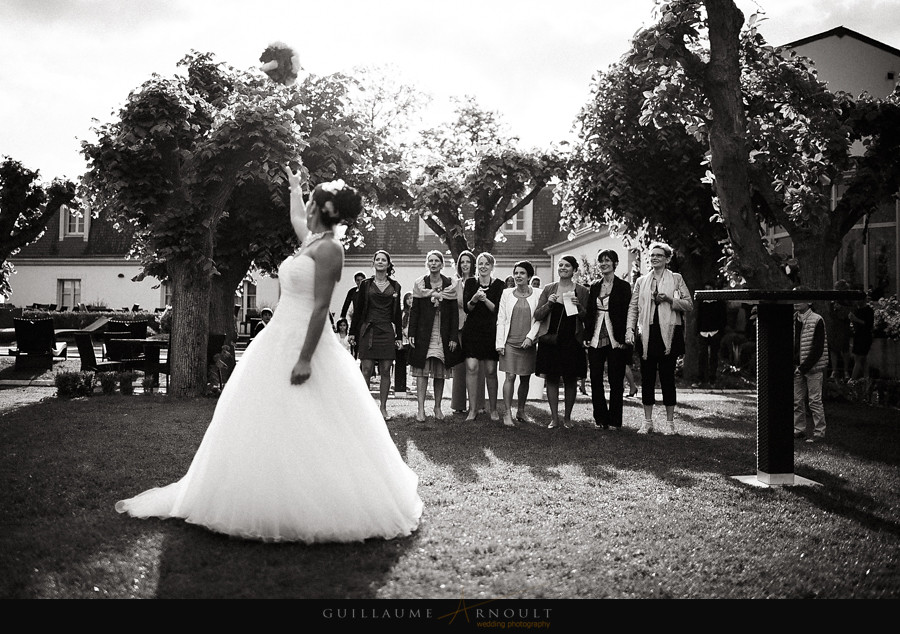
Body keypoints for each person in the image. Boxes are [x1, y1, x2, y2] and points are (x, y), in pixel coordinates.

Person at [115, 170, 422, 543]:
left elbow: (320, 307)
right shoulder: (311, 240)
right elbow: (295, 219)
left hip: (308, 342)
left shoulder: (330, 249)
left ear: (323, 208)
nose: (306, 206)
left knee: (316, 417)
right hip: (276, 339)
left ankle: (318, 498)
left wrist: (306, 358)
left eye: (311, 200)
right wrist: (295, 188)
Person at [626, 241, 693, 435]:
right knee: (647, 378)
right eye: (652, 255)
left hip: (669, 333)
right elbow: (633, 307)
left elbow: (688, 305)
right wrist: (630, 330)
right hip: (647, 333)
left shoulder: (676, 278)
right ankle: (647, 421)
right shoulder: (641, 281)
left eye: (659, 255)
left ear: (667, 259)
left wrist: (670, 299)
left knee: (667, 378)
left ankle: (670, 423)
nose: (654, 258)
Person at [534, 255, 589, 429]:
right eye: (560, 265)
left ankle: (567, 418)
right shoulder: (549, 288)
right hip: (551, 340)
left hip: (571, 340)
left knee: (570, 379)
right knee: (551, 379)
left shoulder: (582, 291)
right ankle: (554, 418)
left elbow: (587, 317)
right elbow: (537, 315)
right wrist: (549, 304)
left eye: (567, 265)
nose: (563, 268)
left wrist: (579, 306)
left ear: (574, 269)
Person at [409, 250, 463, 422]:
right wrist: (411, 332)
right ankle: (420, 409)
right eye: (430, 261)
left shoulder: (450, 284)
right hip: (424, 332)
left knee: (440, 371)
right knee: (422, 372)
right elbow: (414, 311)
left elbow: (455, 313)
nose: (433, 264)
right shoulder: (420, 284)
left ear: (441, 264)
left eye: (436, 261)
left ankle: (438, 407)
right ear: (427, 264)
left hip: (444, 331)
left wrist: (454, 336)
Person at [350, 250, 403, 420]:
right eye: (377, 259)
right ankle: (366, 409)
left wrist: (399, 336)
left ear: (388, 264)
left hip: (386, 330)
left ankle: (383, 408)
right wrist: (352, 333)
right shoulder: (365, 284)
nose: (380, 262)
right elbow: (358, 311)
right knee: (366, 369)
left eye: (383, 260)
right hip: (368, 330)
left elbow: (397, 314)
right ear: (373, 264)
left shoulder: (395, 286)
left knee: (386, 370)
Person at [583, 249, 632, 430]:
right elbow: (589, 312)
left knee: (615, 379)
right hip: (597, 336)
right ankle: (600, 418)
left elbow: (628, 313)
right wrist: (587, 336)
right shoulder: (595, 285)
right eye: (601, 261)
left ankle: (615, 420)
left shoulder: (623, 286)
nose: (604, 264)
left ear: (615, 264)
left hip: (616, 338)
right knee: (595, 377)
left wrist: (627, 335)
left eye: (607, 261)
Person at [495, 261, 541, 427]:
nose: (518, 276)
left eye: (522, 273)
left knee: (525, 378)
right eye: (516, 273)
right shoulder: (506, 293)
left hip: (527, 343)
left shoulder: (538, 293)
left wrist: (530, 338)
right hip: (509, 342)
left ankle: (521, 410)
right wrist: (500, 343)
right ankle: (507, 413)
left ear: (529, 276)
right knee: (510, 376)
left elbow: (539, 319)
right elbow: (501, 319)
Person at [462, 253, 506, 421]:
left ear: (492, 266)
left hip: (490, 332)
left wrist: (485, 299)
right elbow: (467, 308)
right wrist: (474, 298)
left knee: (490, 370)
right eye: (480, 263)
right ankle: (472, 410)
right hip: (472, 331)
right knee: (472, 367)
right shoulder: (471, 283)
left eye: (486, 263)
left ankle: (493, 409)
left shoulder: (499, 285)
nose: (483, 266)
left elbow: (498, 310)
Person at [450, 250, 484, 414]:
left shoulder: (478, 282)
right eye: (462, 262)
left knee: (477, 367)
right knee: (459, 366)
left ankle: (479, 404)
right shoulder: (454, 284)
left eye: (468, 262)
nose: (464, 265)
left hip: (476, 329)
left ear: (473, 265)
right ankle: (458, 404)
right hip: (458, 329)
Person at [793, 288, 828, 443]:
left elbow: (818, 349)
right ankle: (798, 430)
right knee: (797, 400)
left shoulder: (817, 319)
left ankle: (819, 432)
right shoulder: (793, 320)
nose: (796, 302)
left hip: (813, 368)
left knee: (814, 401)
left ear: (809, 302)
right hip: (796, 367)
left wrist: (803, 368)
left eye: (800, 299)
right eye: (795, 298)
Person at [692, 281, 727, 388]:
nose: (708, 291)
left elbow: (723, 318)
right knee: (702, 357)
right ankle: (701, 379)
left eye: (709, 288)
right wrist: (697, 332)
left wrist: (720, 332)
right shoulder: (701, 303)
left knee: (713, 357)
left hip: (715, 332)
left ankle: (712, 380)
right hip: (703, 333)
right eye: (706, 289)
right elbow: (698, 318)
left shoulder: (719, 302)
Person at [828, 279, 853, 382]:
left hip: (843, 325)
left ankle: (846, 370)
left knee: (844, 348)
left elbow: (849, 313)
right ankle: (834, 370)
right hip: (835, 325)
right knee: (833, 348)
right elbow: (831, 313)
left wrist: (841, 308)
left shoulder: (848, 300)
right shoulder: (833, 300)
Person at [849, 291, 874, 380]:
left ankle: (852, 380)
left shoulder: (869, 310)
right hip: (858, 336)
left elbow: (868, 324)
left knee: (859, 359)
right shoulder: (857, 310)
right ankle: (866, 378)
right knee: (862, 359)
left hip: (865, 336)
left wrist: (856, 319)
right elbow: (856, 325)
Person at [396, 292, 413, 394]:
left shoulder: (416, 312)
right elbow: (399, 325)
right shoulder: (402, 312)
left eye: (412, 298)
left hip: (412, 341)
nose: (410, 301)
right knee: (400, 364)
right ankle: (399, 388)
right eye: (408, 299)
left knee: (411, 364)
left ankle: (410, 386)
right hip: (402, 340)